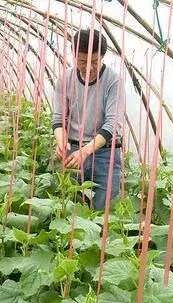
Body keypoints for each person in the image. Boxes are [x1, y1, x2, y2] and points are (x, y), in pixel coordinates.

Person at [52, 29, 125, 210]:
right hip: (73, 150)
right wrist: (61, 142)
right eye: (83, 61)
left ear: (102, 57)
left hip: (105, 153)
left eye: (94, 61)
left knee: (105, 210)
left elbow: (113, 123)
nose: (89, 67)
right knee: (67, 207)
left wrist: (85, 152)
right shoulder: (65, 79)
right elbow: (59, 118)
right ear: (74, 55)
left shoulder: (113, 81)